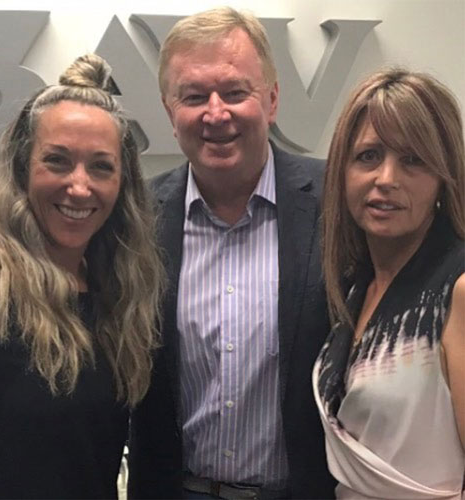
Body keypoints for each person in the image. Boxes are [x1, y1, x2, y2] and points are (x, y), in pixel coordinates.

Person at [129, 7, 335, 500]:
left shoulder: (336, 203)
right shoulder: (134, 219)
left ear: (272, 99)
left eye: (235, 92)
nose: (215, 113)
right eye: (194, 96)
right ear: (168, 111)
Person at [0, 53, 163, 499]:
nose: (79, 186)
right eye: (57, 160)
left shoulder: (117, 292)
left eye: (100, 166)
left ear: (122, 182)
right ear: (22, 166)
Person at [313, 69, 465, 499]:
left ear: (443, 175)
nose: (386, 178)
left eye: (413, 160)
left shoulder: (458, 287)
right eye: (368, 156)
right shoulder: (354, 287)